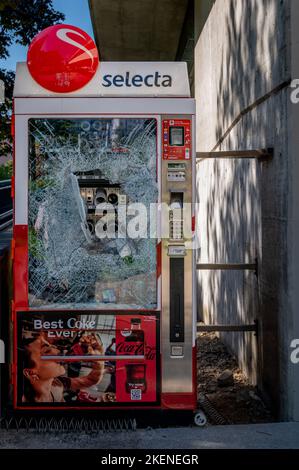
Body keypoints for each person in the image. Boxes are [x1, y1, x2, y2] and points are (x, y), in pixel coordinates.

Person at [22, 333, 104, 403]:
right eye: (47, 351)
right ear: (31, 373)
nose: (57, 351)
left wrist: (99, 361)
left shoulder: (57, 383)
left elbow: (91, 380)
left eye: (53, 347)